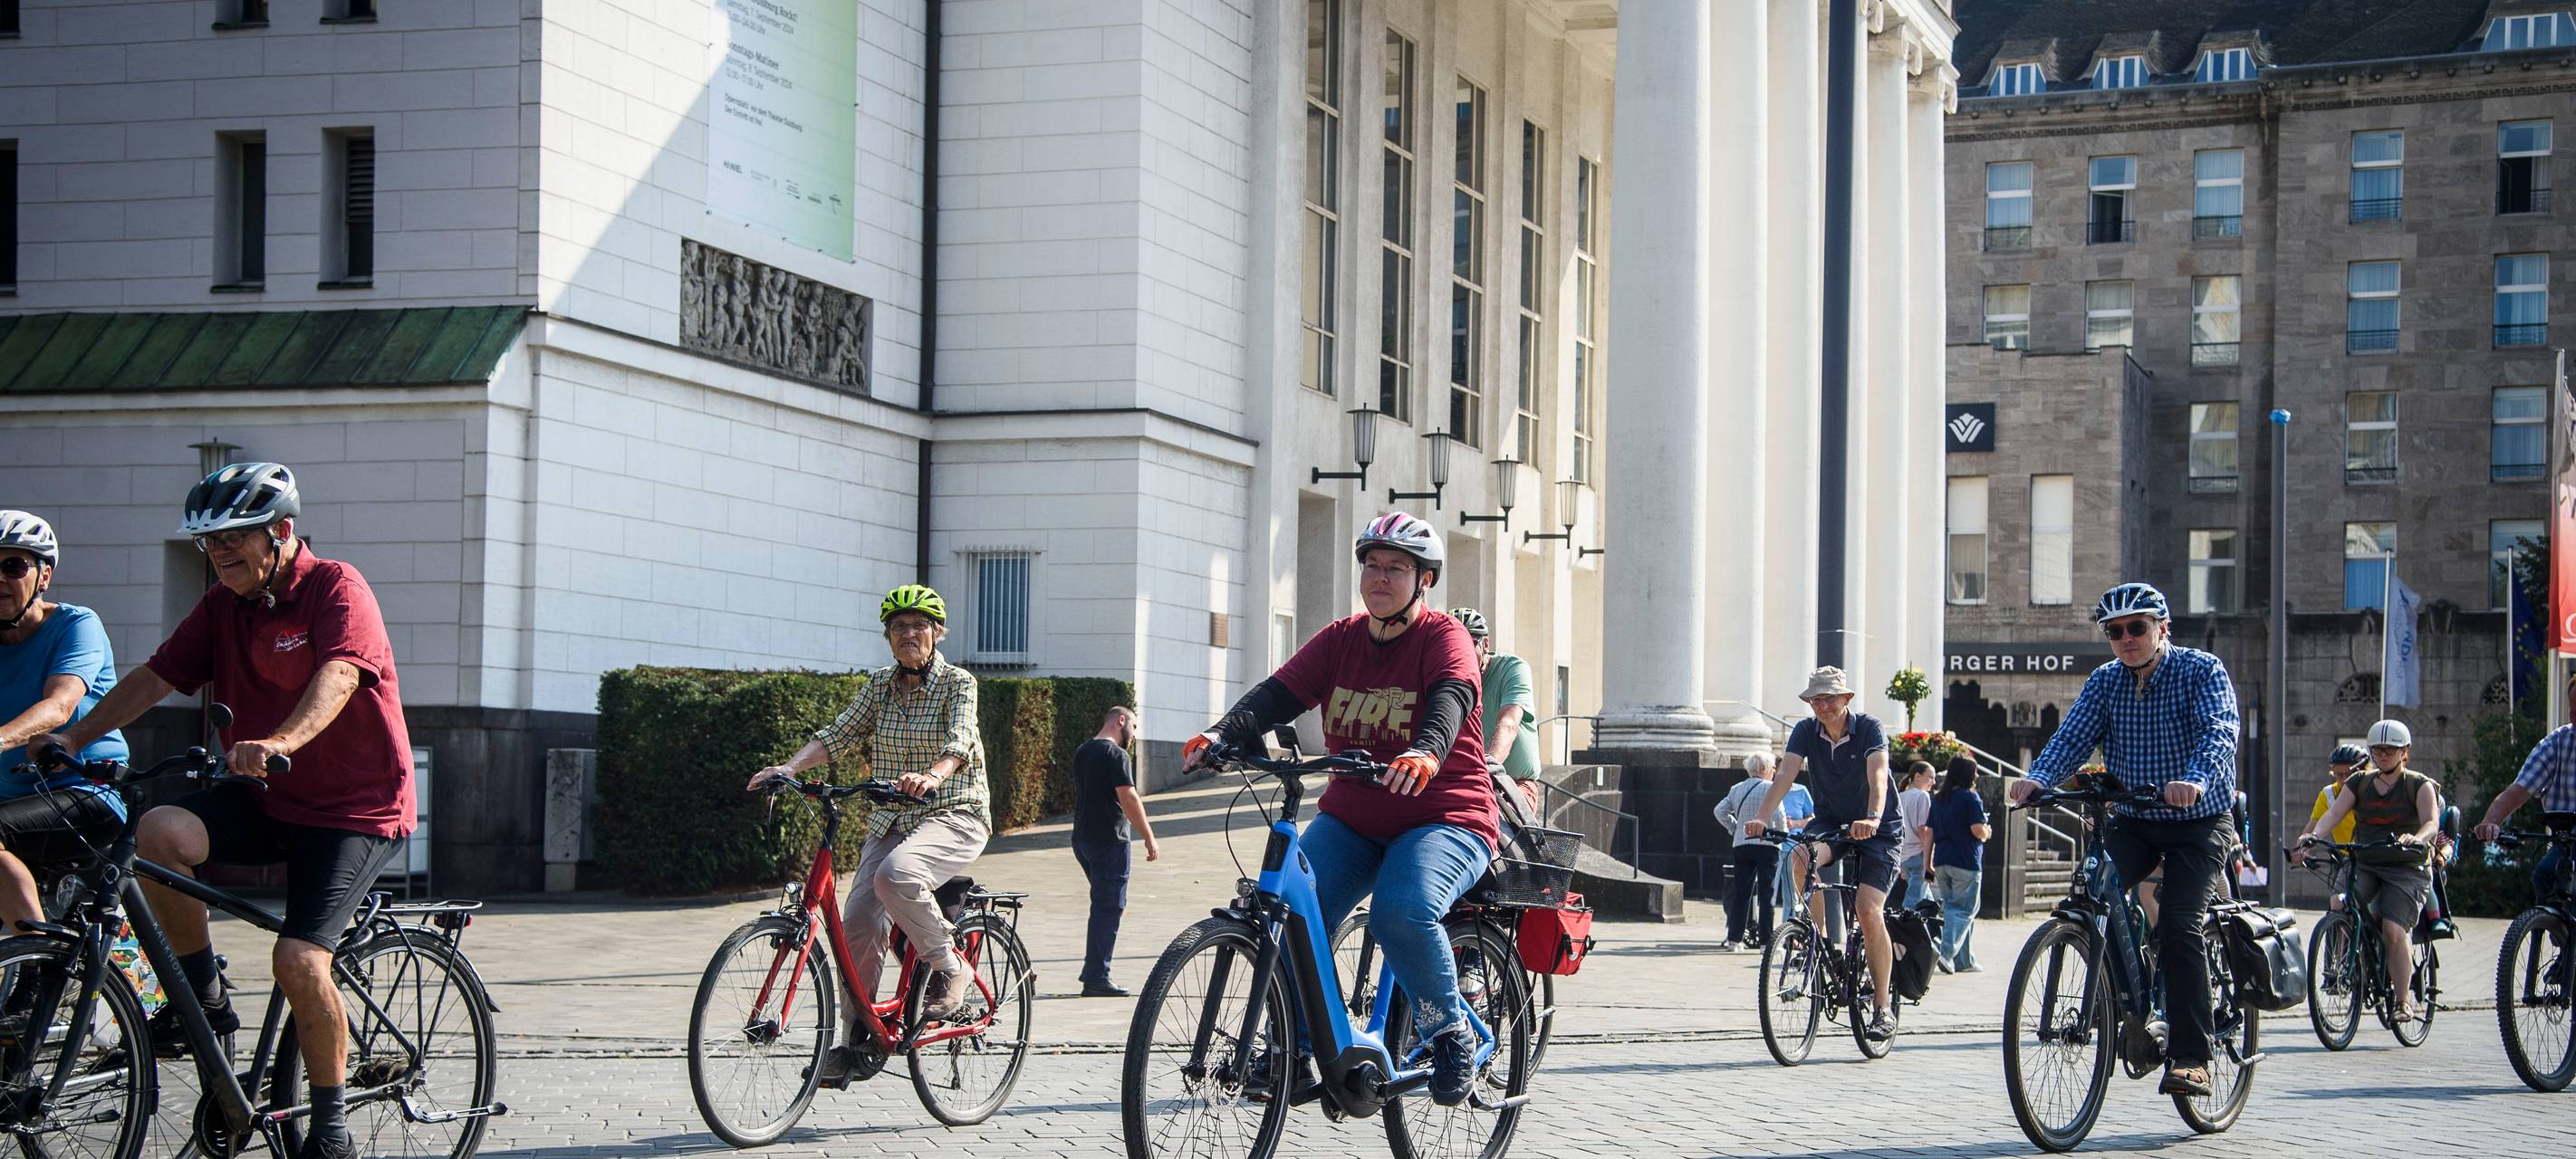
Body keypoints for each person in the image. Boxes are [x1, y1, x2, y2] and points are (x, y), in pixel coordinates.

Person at [37, 465, 414, 1159]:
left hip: (354, 808)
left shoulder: (336, 586)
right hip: (269, 796)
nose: (221, 555)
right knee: (157, 834)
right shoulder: (222, 606)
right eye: (210, 545)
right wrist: (71, 738)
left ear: (283, 533)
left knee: (299, 959)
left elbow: (341, 674)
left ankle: (329, 1130)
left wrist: (277, 741)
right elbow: (156, 676)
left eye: (237, 540)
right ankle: (204, 1002)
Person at [1180, 512, 1494, 1106]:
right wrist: (1221, 734)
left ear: (1424, 579)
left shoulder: (1443, 638)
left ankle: (1447, 1031)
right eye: (1372, 566)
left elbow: (1454, 695)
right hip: (1354, 817)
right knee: (1295, 914)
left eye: (1396, 568)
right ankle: (1292, 1053)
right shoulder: (1342, 638)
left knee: (1400, 912)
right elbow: (1277, 694)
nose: (1380, 577)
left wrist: (1427, 752)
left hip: (1443, 816)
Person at [749, 583, 990, 1083]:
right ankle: (858, 1041)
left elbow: (960, 738)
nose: (909, 634)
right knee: (857, 921)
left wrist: (935, 775)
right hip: (891, 818)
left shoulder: (957, 683)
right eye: (899, 627)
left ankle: (951, 967)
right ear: (887, 636)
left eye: (919, 625)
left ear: (937, 633)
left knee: (896, 876)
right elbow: (837, 734)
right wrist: (790, 768)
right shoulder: (879, 684)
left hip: (955, 812)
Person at [2010, 582, 2239, 1098]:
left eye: (2137, 627)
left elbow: (2218, 732)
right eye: (2115, 631)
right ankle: (2128, 1006)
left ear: (2162, 628)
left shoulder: (2201, 671)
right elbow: (2072, 736)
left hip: (2197, 819)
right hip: (2135, 818)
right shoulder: (2107, 681)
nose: (2126, 638)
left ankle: (2191, 1056)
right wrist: (2038, 778)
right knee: (2093, 889)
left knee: (2180, 925)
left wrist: (2196, 778)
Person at [1745, 666, 1905, 1042]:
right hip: (1833, 821)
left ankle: (1882, 1007)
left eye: (1829, 697)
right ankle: (1821, 943)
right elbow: (1785, 775)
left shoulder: (1868, 728)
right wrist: (1760, 817)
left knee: (1868, 910)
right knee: (1798, 858)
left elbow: (1878, 775)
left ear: (1846, 699)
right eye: (1815, 699)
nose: (1822, 705)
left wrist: (1872, 816)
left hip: (1878, 827)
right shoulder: (1805, 731)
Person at [0, 512, 130, 936]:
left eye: (13, 566)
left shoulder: (76, 625)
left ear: (43, 576)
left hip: (83, 795)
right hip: (12, 801)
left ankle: (34, 963)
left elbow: (58, 707)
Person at [2297, 718, 2438, 1020]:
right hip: (2366, 862)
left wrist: (2418, 838)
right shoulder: (2358, 783)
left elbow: (2431, 822)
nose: (2384, 754)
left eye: (2391, 749)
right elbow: (2334, 814)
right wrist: (2313, 836)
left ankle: (2403, 1002)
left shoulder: (2418, 784)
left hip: (2407, 868)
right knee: (2338, 902)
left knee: (2393, 929)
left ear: (2405, 752)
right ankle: (2346, 963)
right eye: (2378, 749)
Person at [1071, 705, 1159, 997]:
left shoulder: (1082, 751)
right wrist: (1149, 837)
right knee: (1109, 908)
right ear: (1121, 721)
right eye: (1133, 728)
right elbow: (1129, 797)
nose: (1133, 735)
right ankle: (1097, 976)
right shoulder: (1116, 755)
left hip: (1083, 840)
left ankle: (1093, 970)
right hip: (1110, 840)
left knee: (1102, 906)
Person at [2474, 672, 2576, 902]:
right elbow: (2518, 791)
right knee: (2545, 873)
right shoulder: (2557, 743)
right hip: (2566, 842)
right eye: (2573, 712)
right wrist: (2491, 821)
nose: (2574, 718)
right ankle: (2548, 922)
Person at [1450, 608, 1542, 813]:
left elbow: (1508, 724)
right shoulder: (1446, 678)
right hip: (1461, 784)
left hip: (1513, 783)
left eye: (1469, 644)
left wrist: (1486, 771)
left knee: (1492, 819)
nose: (1460, 652)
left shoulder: (1512, 669)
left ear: (1486, 645)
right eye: (1453, 645)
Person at [1713, 752, 1785, 951]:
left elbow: (1719, 811)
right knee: (1766, 894)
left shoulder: (1736, 789)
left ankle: (1734, 940)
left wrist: (1735, 828)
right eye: (1772, 768)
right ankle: (1765, 942)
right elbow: (1779, 814)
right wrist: (1781, 834)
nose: (1774, 772)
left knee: (1741, 892)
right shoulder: (1772, 788)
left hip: (1742, 844)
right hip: (1767, 845)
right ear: (1766, 769)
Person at [1927, 755, 1992, 972]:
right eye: (1974, 771)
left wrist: (1928, 863)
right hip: (1966, 860)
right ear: (1966, 774)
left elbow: (1930, 833)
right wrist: (1987, 831)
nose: (1977, 776)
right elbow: (1977, 829)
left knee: (1956, 910)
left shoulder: (1938, 799)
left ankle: (1965, 961)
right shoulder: (1969, 797)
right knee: (1963, 911)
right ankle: (1945, 954)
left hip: (1943, 860)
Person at [1893, 761, 1936, 907]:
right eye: (1930, 777)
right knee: (1914, 901)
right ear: (1918, 776)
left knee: (1926, 901)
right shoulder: (1922, 796)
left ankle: (1933, 929)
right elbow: (1923, 829)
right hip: (1919, 854)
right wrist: (1929, 860)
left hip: (1904, 855)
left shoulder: (1900, 796)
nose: (1933, 782)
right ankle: (1901, 928)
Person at [1773, 774, 1815, 912]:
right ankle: (1765, 928)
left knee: (1791, 894)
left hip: (1794, 846)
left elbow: (1813, 818)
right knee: (1769, 891)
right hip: (1773, 846)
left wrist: (1795, 823)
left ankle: (1788, 927)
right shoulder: (1770, 789)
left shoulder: (1801, 791)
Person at [2311, 743, 2365, 845]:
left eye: (2350, 774)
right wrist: (2303, 846)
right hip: (2345, 855)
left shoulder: (2374, 790)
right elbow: (2312, 827)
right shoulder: (2329, 794)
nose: (2345, 780)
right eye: (2339, 775)